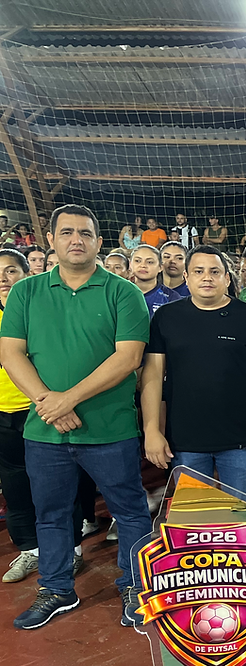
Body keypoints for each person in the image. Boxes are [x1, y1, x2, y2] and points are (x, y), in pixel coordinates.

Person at [0, 204, 152, 629]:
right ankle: (57, 588)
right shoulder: (27, 292)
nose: (76, 240)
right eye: (66, 232)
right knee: (49, 513)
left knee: (130, 511)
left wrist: (66, 400)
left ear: (99, 242)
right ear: (50, 240)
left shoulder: (123, 292)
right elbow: (10, 352)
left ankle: (137, 587)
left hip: (109, 429)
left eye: (85, 233)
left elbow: (129, 358)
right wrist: (48, 400)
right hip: (45, 430)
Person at [142, 244, 246, 499]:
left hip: (241, 440)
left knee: (243, 519)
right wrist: (152, 431)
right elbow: (153, 377)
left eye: (215, 271)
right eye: (199, 271)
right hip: (184, 442)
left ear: (227, 278)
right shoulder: (166, 318)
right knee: (193, 521)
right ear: (187, 278)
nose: (207, 277)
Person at [0, 249, 85, 584]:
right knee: (16, 485)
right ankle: (30, 550)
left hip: (48, 410)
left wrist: (49, 402)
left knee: (61, 487)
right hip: (6, 413)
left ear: (27, 273)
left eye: (11, 271)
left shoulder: (42, 307)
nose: (4, 279)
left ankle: (73, 548)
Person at [131, 245, 182, 315]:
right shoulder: (120, 292)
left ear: (161, 267)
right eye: (137, 261)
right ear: (130, 264)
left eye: (150, 262)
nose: (143, 265)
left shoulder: (171, 298)